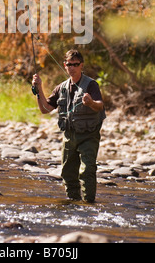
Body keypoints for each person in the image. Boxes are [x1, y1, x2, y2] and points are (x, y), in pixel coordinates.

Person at [32, 49, 106, 203]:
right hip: (69, 136)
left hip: (89, 135)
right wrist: (39, 89)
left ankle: (89, 204)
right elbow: (45, 109)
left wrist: (91, 102)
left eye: (75, 64)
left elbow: (100, 106)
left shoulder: (91, 85)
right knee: (67, 173)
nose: (72, 67)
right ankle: (73, 204)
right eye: (69, 64)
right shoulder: (61, 88)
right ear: (65, 66)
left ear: (81, 66)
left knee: (87, 171)